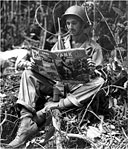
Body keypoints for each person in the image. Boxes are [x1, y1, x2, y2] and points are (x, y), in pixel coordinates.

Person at [7, 5, 104, 148]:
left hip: (77, 89)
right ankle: (26, 123)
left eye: (74, 23)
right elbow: (50, 63)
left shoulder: (94, 47)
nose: (70, 27)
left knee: (99, 82)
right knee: (28, 74)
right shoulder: (60, 42)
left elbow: (99, 74)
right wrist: (38, 66)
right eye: (68, 23)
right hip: (56, 86)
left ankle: (51, 108)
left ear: (83, 24)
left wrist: (91, 69)